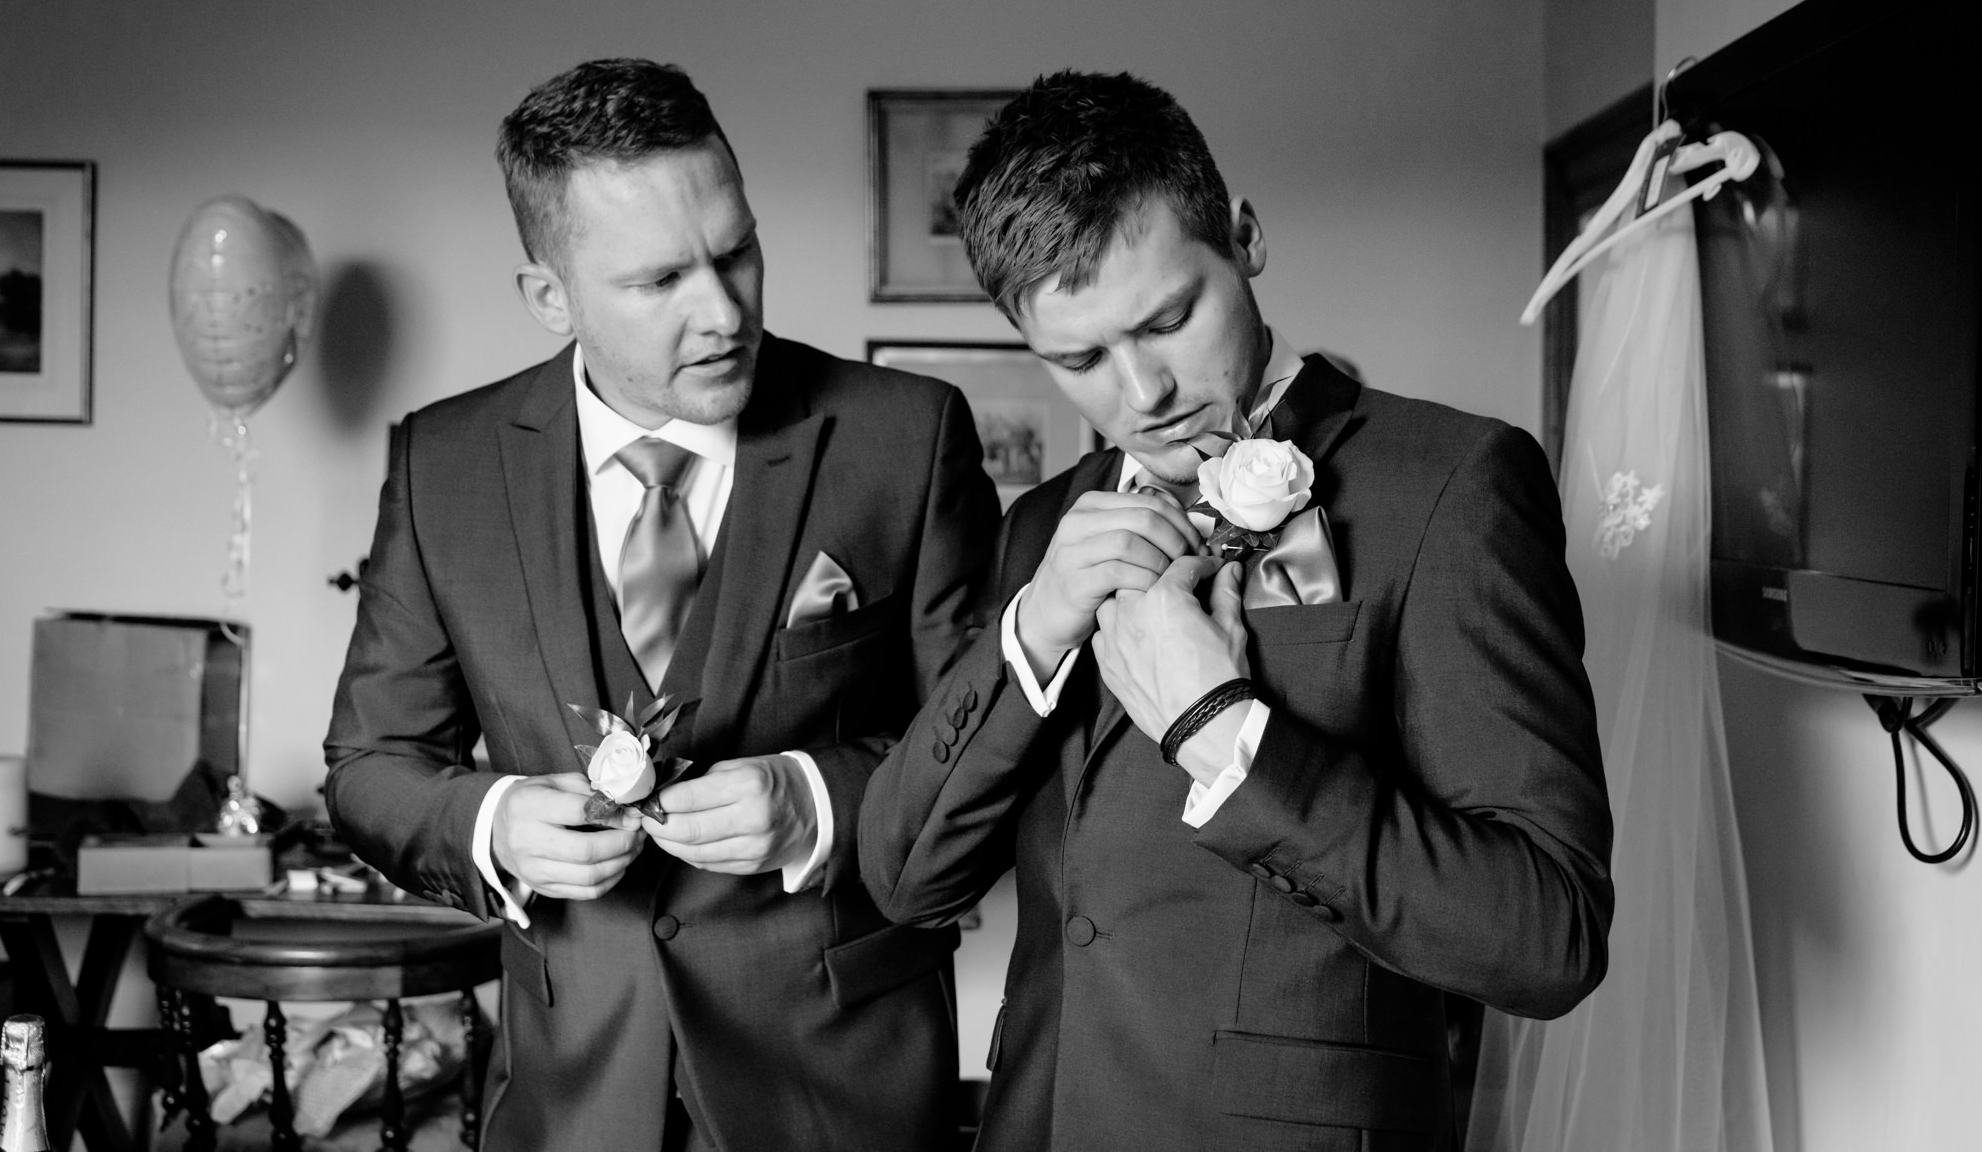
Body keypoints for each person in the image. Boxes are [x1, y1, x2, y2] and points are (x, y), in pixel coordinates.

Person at [859, 71, 1614, 1151]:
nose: (1141, 394)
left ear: (1245, 238)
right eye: (1077, 360)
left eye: (1166, 319)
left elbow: (1547, 934)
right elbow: (903, 879)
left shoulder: (1450, 486)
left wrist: (1227, 732)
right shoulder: (1039, 530)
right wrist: (1030, 631)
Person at [325, 58, 999, 1151]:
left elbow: (981, 757)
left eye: (734, 252)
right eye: (658, 282)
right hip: (570, 1097)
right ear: (551, 298)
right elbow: (369, 767)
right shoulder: (443, 464)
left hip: (844, 1093)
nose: (722, 311)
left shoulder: (903, 438)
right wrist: (493, 824)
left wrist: (816, 802)